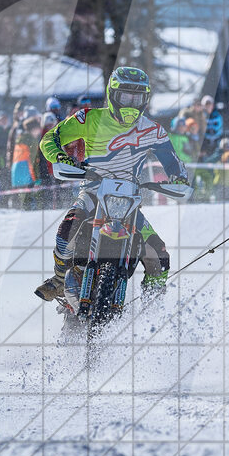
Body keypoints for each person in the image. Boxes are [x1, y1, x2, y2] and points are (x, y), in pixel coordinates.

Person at [34, 66, 190, 301]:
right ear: (112, 95)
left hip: (130, 200)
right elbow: (50, 138)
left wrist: (178, 177)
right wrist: (61, 157)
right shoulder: (89, 118)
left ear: (145, 100)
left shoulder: (153, 131)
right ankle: (58, 279)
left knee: (160, 255)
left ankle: (153, 309)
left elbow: (172, 161)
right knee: (66, 231)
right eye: (125, 96)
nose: (131, 103)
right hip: (93, 191)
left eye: (137, 98)